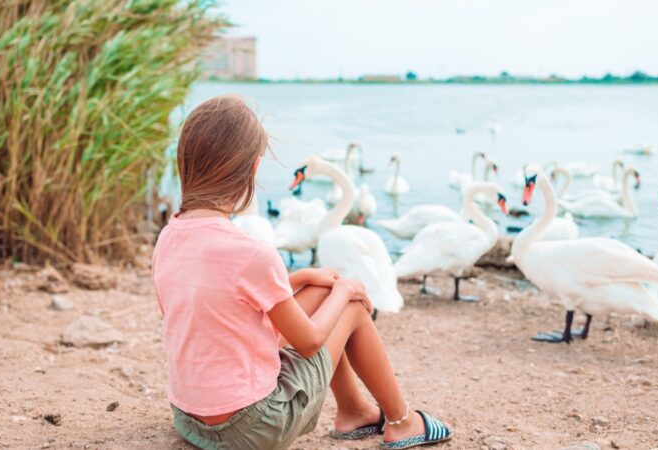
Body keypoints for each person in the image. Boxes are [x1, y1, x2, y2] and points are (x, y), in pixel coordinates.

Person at [152, 94, 452, 450]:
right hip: (249, 429)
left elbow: (211, 306)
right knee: (350, 307)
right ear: (253, 168)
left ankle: (355, 411)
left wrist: (297, 280)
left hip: (190, 419)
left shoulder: (168, 238)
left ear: (186, 163)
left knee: (320, 293)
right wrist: (346, 291)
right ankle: (402, 421)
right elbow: (309, 342)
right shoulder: (250, 252)